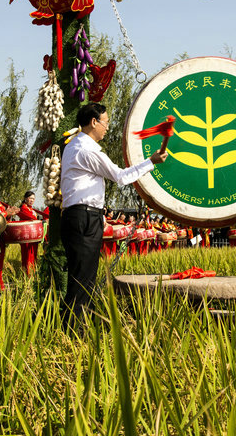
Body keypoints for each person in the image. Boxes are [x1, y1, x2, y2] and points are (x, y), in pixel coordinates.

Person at [60, 103, 167, 327]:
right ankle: (73, 329)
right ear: (93, 122)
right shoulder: (86, 149)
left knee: (82, 276)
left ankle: (77, 324)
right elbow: (120, 176)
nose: (107, 128)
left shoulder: (74, 145)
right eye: (105, 123)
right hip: (84, 218)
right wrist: (151, 162)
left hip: (80, 216)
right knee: (83, 279)